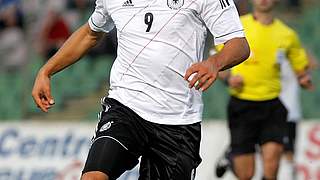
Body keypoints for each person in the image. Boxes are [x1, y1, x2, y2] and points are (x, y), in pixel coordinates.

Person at [31, 0, 250, 179]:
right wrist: (46, 71)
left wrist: (214, 63)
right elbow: (90, 33)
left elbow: (239, 44)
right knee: (93, 177)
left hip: (178, 120)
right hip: (126, 107)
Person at [212, 0, 312, 179]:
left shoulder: (287, 34)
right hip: (242, 104)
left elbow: (300, 66)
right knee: (246, 174)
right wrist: (228, 78)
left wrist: (303, 78)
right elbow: (216, 60)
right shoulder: (238, 27)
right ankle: (231, 156)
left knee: (271, 167)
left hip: (272, 104)